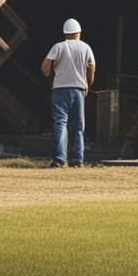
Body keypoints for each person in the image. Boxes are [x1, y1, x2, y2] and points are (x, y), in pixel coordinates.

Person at [41, 18, 96, 168]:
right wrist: (88, 85)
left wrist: (49, 77)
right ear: (78, 33)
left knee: (60, 123)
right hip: (78, 89)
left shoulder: (58, 47)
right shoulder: (85, 47)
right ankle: (77, 160)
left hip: (59, 89)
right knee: (78, 125)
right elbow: (91, 68)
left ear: (65, 34)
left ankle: (59, 160)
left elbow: (45, 66)